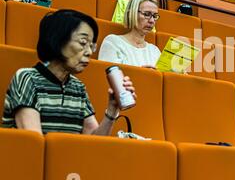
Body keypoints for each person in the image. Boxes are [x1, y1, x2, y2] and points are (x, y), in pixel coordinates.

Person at [2, 9, 136, 135]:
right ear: (58, 41)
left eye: (91, 45)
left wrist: (112, 110)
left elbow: (94, 142)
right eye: (83, 43)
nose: (89, 52)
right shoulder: (27, 78)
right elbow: (34, 144)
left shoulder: (78, 87)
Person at [98, 0, 161, 68]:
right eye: (146, 14)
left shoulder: (154, 50)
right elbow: (105, 76)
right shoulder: (113, 42)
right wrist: (142, 74)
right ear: (131, 13)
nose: (152, 20)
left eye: (155, 16)